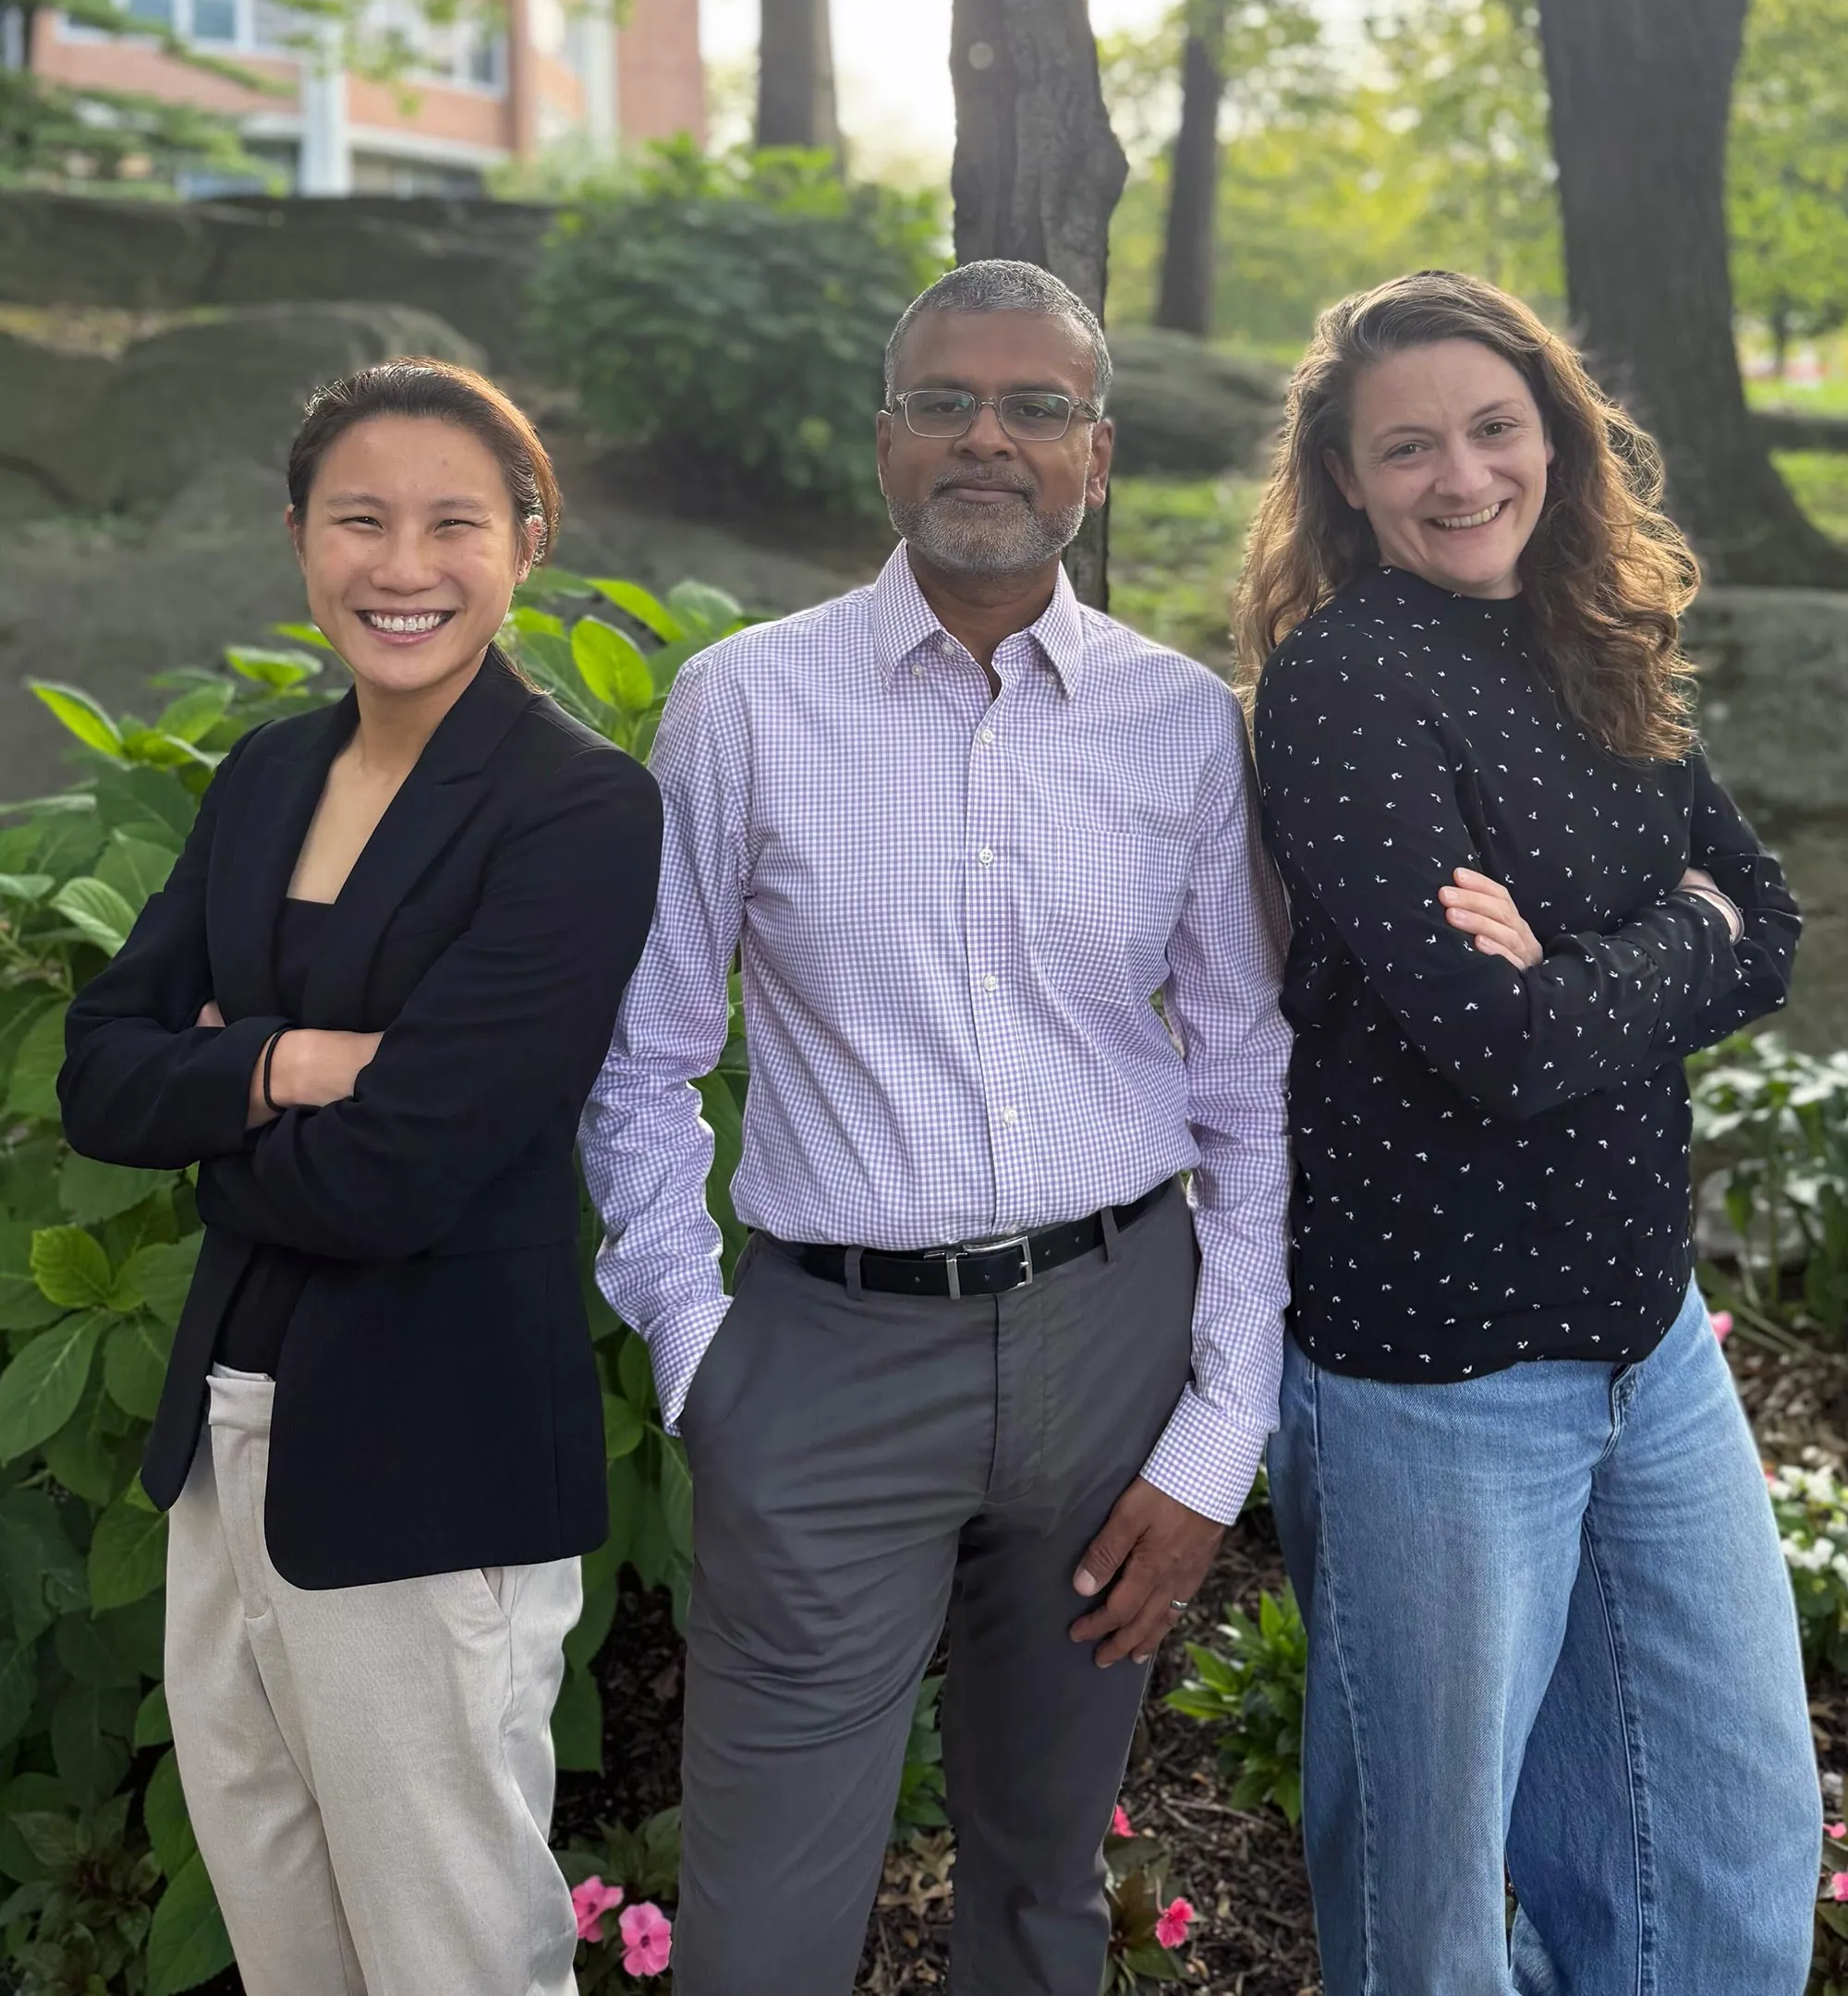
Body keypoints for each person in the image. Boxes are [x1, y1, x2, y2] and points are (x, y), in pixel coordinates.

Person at [581, 259, 1292, 1994]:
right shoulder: (744, 703)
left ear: (1097, 455)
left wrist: (1218, 1436)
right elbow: (643, 1058)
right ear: (887, 443)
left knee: (1049, 1895)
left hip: (1114, 1340)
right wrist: (698, 1357)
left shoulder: (1180, 723)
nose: (991, 435)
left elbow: (1246, 1081)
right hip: (825, 1360)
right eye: (946, 402)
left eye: (1037, 405)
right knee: (763, 1934)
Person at [1236, 269, 1818, 1996]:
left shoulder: (1598, 639)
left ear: (1554, 436)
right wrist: (1675, 937)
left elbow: (1768, 924)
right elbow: (1499, 1042)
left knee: (1724, 1850)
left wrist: (1620, 959)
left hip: (1651, 1342)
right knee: (1433, 1922)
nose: (1462, 475)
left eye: (1496, 429)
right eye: (1406, 447)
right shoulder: (1344, 685)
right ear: (1346, 476)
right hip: (1438, 1381)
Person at [59, 359, 663, 1996]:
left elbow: (395, 1185)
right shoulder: (266, 774)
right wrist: (292, 1066)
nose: (405, 567)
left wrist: (212, 1107)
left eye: (454, 522)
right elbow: (98, 1071)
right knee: (284, 1928)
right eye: (361, 522)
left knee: (454, 1949)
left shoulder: (578, 810)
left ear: (528, 542)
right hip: (227, 1434)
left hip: (429, 1447)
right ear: (299, 540)